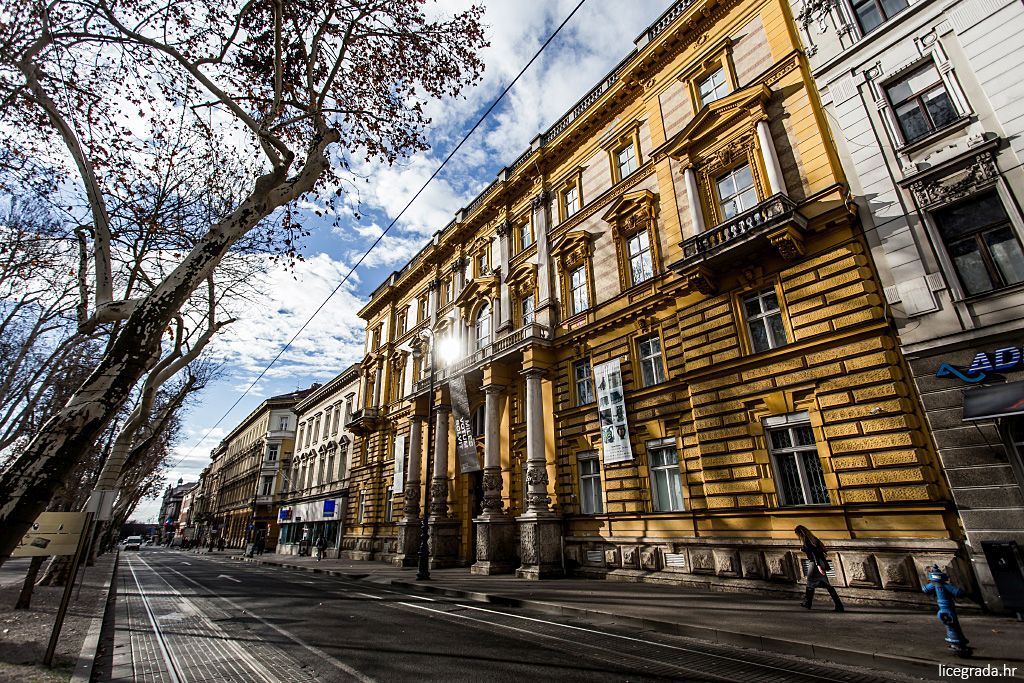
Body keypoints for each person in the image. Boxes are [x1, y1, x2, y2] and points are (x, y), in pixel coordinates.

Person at [795, 525, 844, 612]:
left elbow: (814, 554)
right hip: (820, 562)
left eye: (798, 535)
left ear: (800, 533)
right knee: (825, 584)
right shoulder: (813, 539)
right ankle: (839, 605)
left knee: (811, 582)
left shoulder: (807, 541)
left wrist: (818, 566)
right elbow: (820, 551)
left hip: (815, 563)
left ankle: (808, 603)